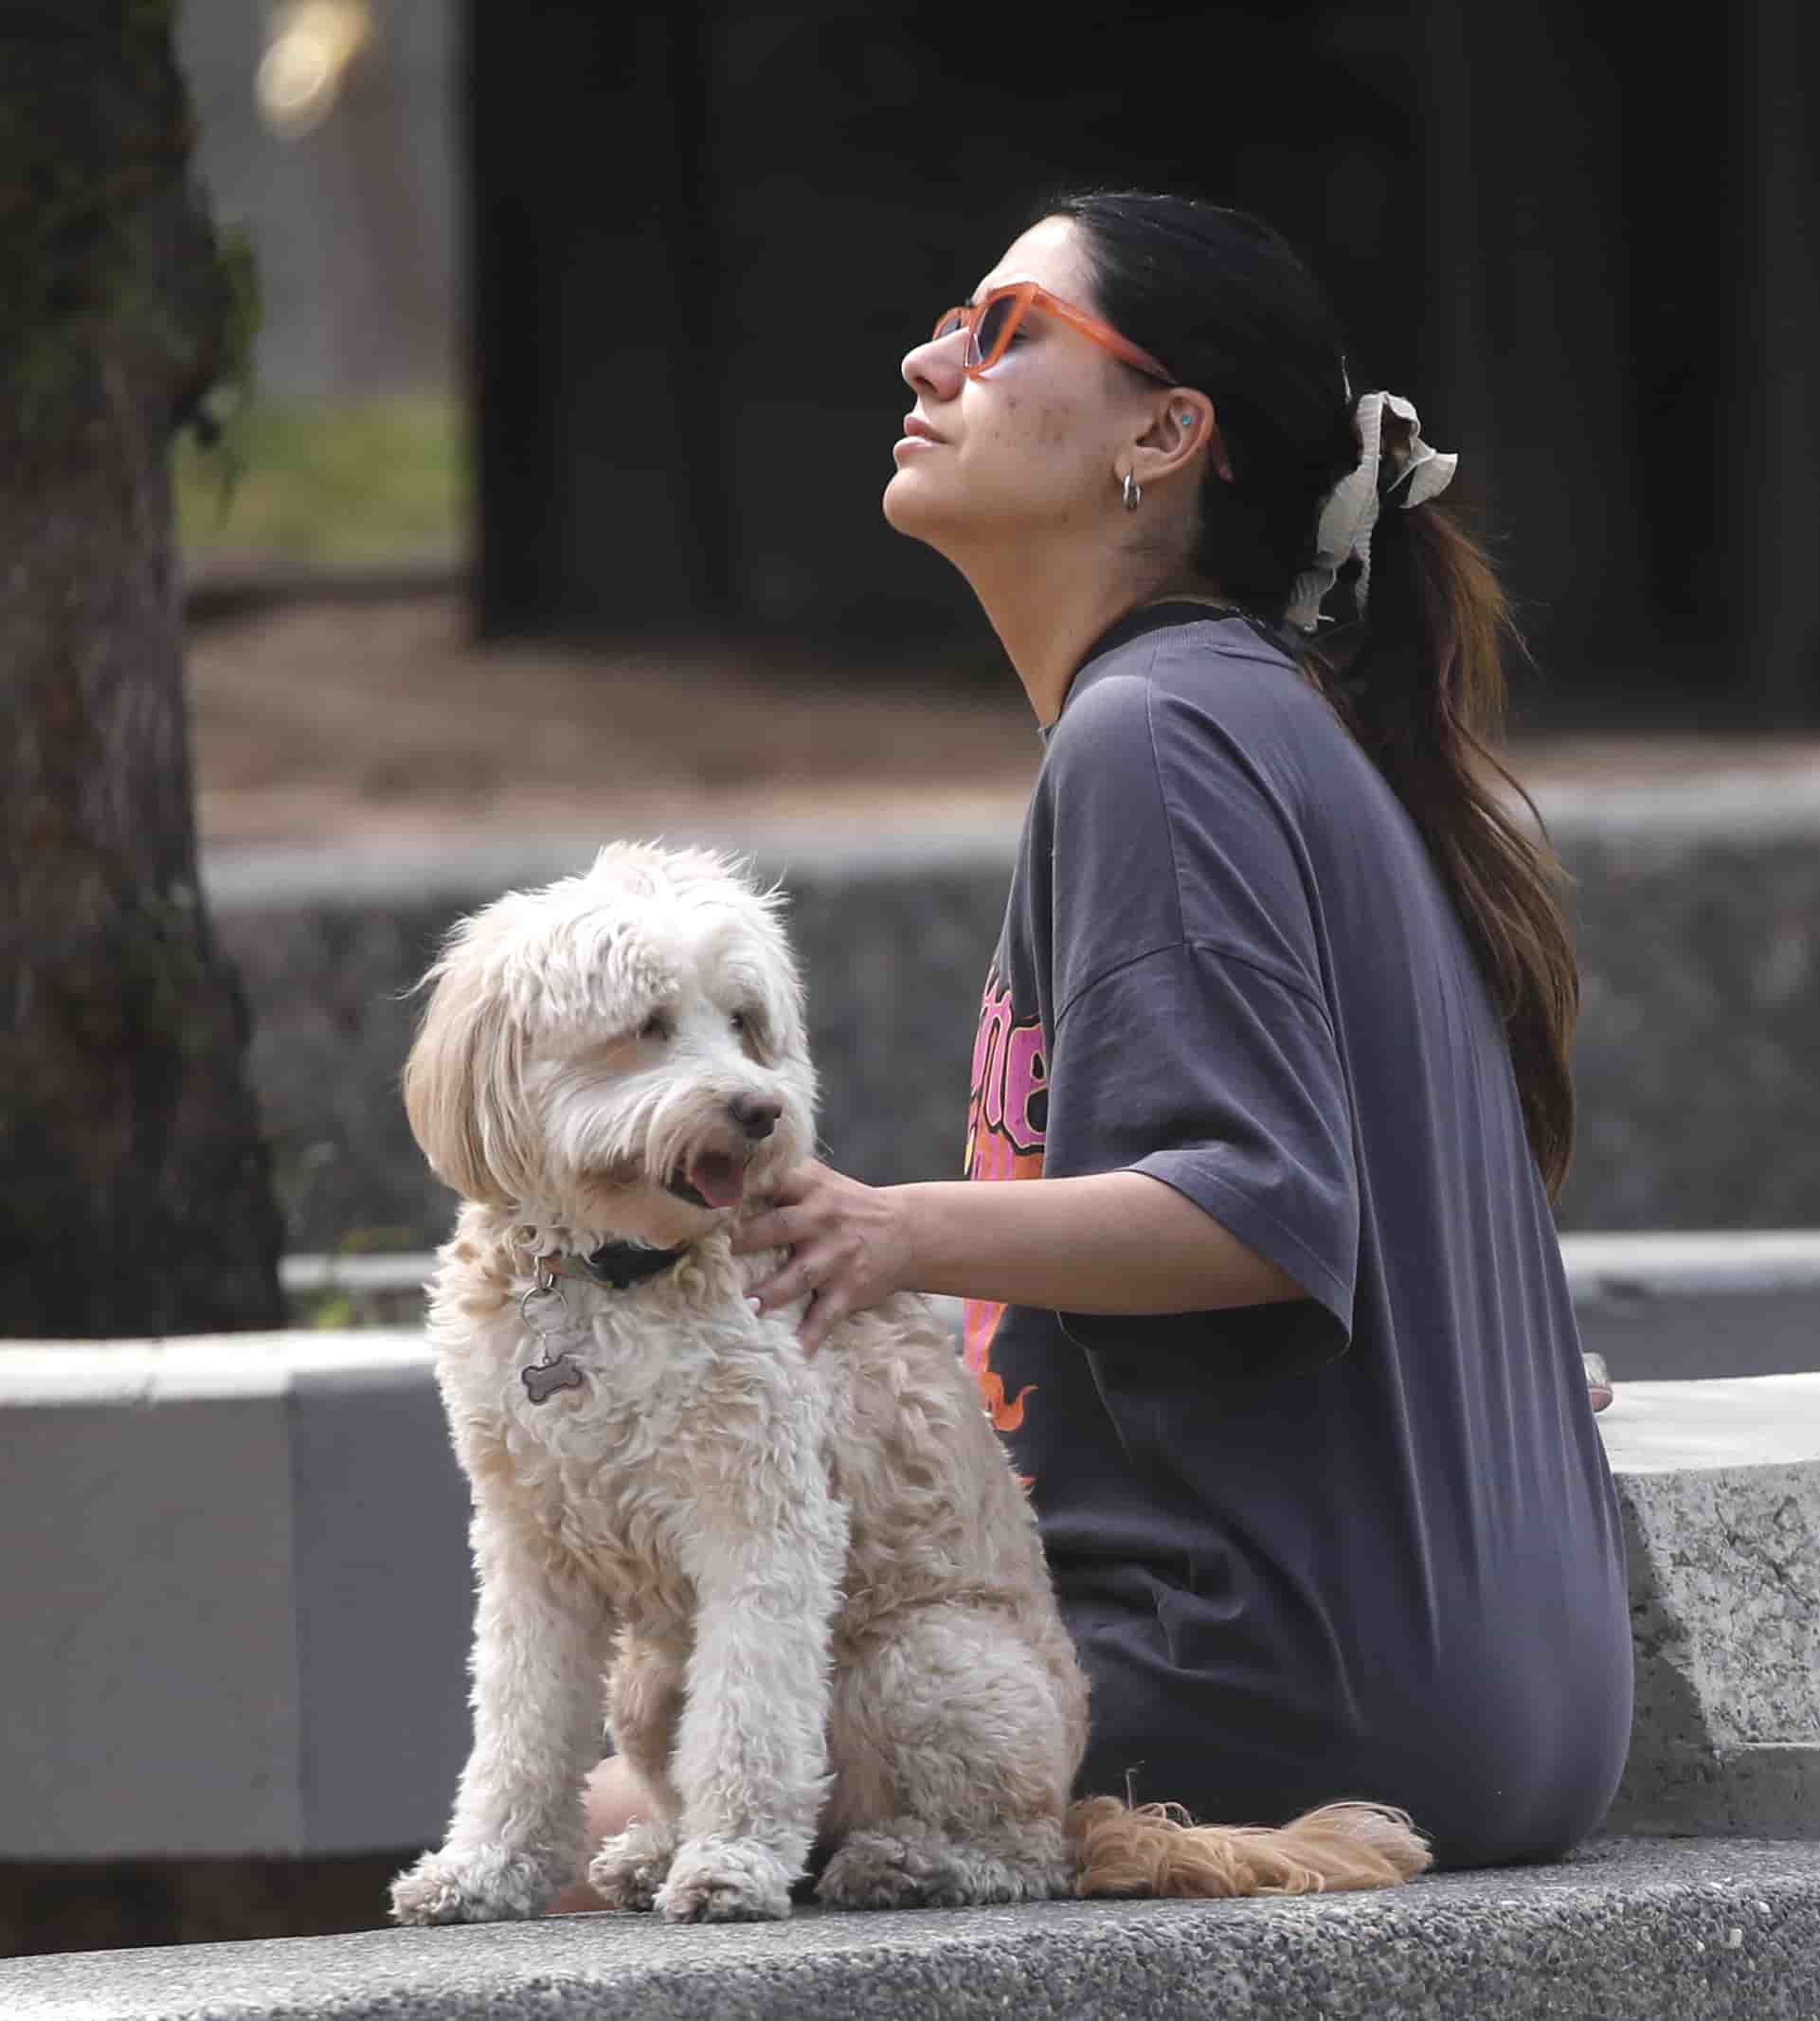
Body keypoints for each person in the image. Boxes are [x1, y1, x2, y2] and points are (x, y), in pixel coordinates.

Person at [565, 190, 1631, 1887]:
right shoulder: (1256, 714)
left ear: (1163, 433)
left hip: (1284, 1697)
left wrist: (882, 1226)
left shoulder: (1157, 735)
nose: (930, 359)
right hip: (1495, 1715)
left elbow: (1260, 1208)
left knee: (614, 1808)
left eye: (1003, 330)